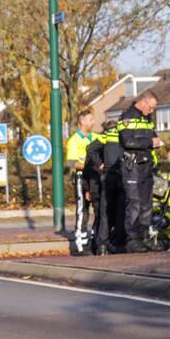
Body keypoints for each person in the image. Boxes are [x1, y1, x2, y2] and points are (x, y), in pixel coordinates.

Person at [118, 90, 163, 253]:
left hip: (146, 165)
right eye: (151, 108)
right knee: (134, 203)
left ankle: (144, 237)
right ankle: (132, 239)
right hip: (133, 166)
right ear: (143, 102)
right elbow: (128, 141)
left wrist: (156, 140)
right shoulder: (127, 116)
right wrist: (150, 142)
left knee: (146, 204)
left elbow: (152, 135)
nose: (152, 111)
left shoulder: (147, 118)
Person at [65, 109, 98, 256]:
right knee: (82, 210)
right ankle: (80, 245)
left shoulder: (94, 137)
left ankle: (93, 242)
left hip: (93, 178)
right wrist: (90, 166)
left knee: (97, 209)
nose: (93, 122)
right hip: (81, 178)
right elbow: (72, 162)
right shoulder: (74, 140)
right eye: (90, 119)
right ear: (82, 121)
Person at [91, 117, 126, 255]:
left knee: (105, 212)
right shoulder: (124, 134)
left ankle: (102, 246)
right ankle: (117, 243)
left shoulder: (106, 135)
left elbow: (91, 148)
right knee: (120, 211)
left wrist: (99, 164)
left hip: (108, 174)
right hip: (121, 174)